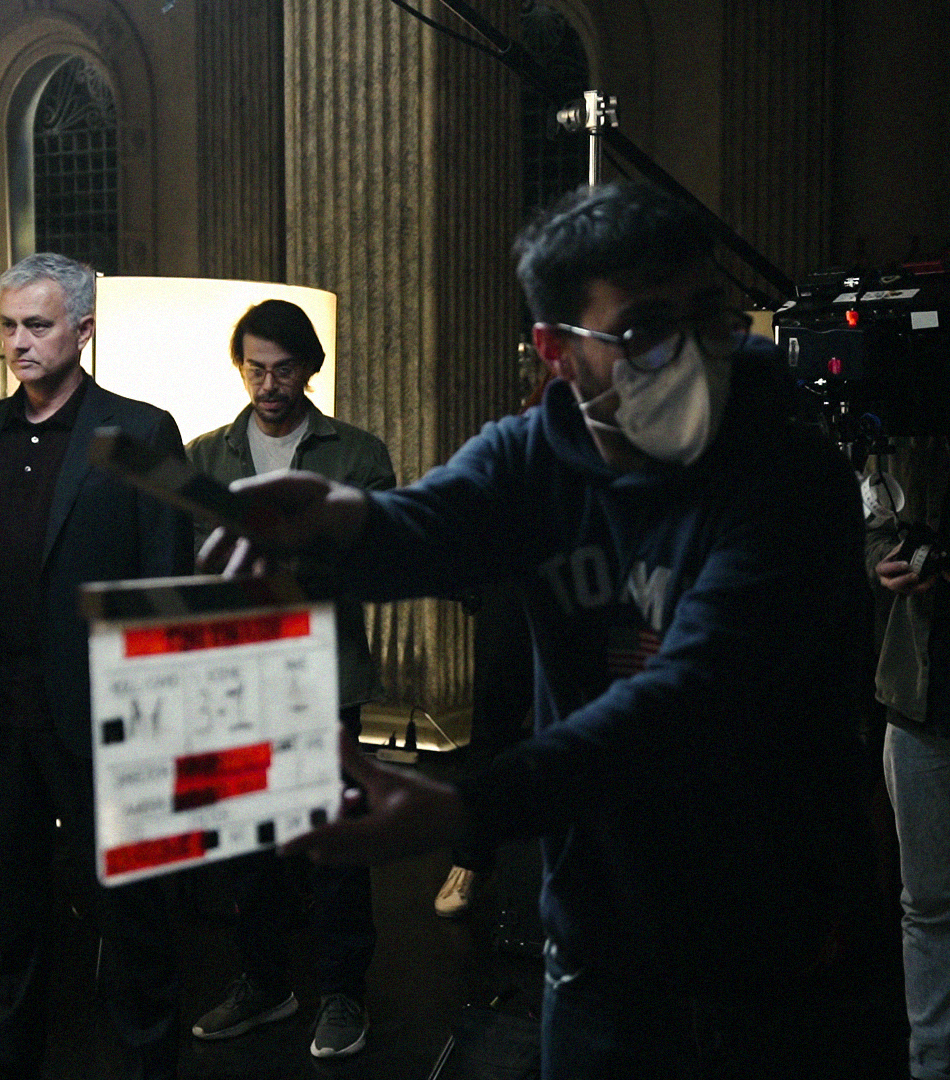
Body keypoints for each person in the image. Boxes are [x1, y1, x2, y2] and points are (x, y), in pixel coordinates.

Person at [200, 183, 871, 1080]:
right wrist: (337, 519)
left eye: (707, 313)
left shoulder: (786, 471)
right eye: (641, 331)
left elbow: (693, 698)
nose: (690, 353)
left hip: (772, 943)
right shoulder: (532, 453)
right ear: (558, 352)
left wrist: (468, 807)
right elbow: (435, 523)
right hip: (598, 941)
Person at [0, 253, 193, 1080]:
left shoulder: (145, 433)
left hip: (103, 726)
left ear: (84, 329)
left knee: (134, 925)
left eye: (37, 325)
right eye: (8, 325)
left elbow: (170, 594)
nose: (18, 342)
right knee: (14, 929)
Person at [185, 299, 395, 1058]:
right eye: (254, 369)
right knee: (249, 848)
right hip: (238, 678)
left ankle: (344, 994)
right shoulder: (206, 455)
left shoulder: (356, 453)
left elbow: (370, 561)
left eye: (283, 370)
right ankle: (264, 984)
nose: (268, 386)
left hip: (321, 674)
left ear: (309, 368)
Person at [868, 438, 950, 1080]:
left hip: (920, 701)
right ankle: (930, 1064)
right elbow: (873, 518)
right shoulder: (903, 417)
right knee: (925, 904)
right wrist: (880, 560)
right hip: (920, 698)